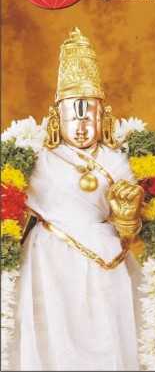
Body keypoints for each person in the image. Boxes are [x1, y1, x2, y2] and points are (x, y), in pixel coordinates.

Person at [8, 28, 144, 370]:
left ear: (103, 117)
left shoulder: (116, 160)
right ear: (57, 119)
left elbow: (130, 225)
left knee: (105, 326)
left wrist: (127, 214)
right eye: (73, 118)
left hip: (105, 253)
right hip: (49, 258)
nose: (81, 127)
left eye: (89, 117)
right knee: (52, 327)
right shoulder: (40, 159)